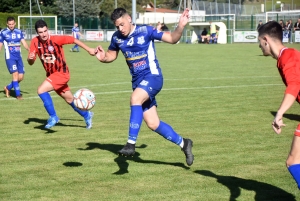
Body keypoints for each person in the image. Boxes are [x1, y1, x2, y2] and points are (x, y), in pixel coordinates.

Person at [95, 8, 194, 166]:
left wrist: (181, 25)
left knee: (135, 98)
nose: (120, 29)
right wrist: (103, 57)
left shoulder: (146, 31)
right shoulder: (117, 38)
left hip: (153, 77)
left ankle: (130, 144)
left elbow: (173, 38)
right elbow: (111, 55)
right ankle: (184, 143)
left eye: (122, 24)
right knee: (153, 123)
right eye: (117, 26)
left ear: (129, 19)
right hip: (138, 83)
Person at [27, 20, 95, 129]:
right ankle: (87, 115)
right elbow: (31, 62)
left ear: (47, 29)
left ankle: (53, 117)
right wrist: (29, 59)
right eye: (40, 32)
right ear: (37, 33)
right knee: (69, 99)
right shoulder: (34, 42)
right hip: (51, 75)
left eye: (45, 31)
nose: (44, 34)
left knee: (41, 90)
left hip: (62, 73)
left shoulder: (56, 39)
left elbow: (73, 39)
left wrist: (89, 49)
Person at [258, 20, 300, 189]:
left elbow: (295, 85)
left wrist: (280, 113)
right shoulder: (286, 56)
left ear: (266, 40)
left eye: (259, 42)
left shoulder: (287, 56)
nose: (259, 47)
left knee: (293, 161)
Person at [0, 16, 29, 99]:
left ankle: (8, 87)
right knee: (15, 75)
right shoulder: (3, 32)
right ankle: (18, 95)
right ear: (7, 24)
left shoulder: (19, 32)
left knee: (21, 77)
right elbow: (0, 45)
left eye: (12, 24)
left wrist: (30, 50)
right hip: (10, 57)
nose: (11, 26)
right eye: (9, 24)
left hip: (19, 57)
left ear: (15, 23)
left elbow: (24, 43)